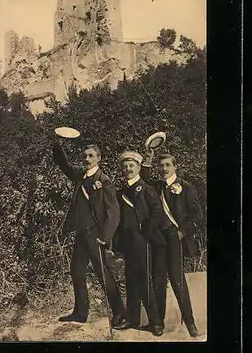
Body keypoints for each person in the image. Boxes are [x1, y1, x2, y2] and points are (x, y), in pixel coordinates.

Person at [52, 138, 126, 327]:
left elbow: (114, 213)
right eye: (85, 156)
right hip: (80, 234)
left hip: (95, 234)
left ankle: (119, 312)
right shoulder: (80, 175)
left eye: (91, 156)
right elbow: (64, 165)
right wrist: (57, 146)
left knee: (103, 274)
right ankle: (80, 313)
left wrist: (105, 237)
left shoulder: (104, 181)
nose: (87, 159)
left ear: (98, 158)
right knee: (76, 271)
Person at [141, 149, 203, 337]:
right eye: (161, 165)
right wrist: (148, 161)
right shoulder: (156, 186)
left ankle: (190, 323)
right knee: (158, 281)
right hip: (159, 239)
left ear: (176, 166)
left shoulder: (186, 187)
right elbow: (143, 180)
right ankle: (158, 324)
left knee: (178, 281)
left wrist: (182, 232)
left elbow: (197, 215)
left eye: (168, 165)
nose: (164, 168)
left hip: (175, 238)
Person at [113, 150, 166, 336]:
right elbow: (118, 220)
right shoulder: (120, 192)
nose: (128, 169)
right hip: (127, 242)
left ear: (138, 168)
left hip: (142, 240)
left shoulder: (146, 189)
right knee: (131, 280)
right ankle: (132, 318)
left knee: (144, 280)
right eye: (125, 166)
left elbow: (158, 213)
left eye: (132, 166)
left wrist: (146, 230)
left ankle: (156, 323)